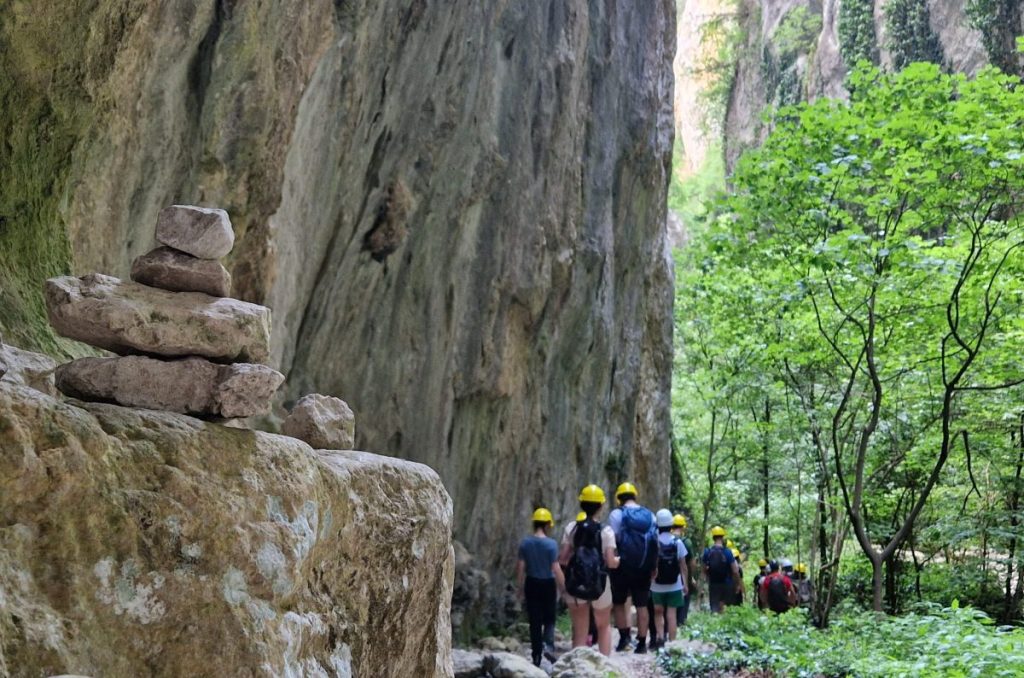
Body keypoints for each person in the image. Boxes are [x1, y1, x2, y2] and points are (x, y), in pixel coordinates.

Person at [560, 485, 620, 656]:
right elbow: (610, 562)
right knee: (604, 626)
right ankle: (604, 668)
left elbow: (563, 559)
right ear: (600, 506)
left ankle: (578, 669)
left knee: (580, 630)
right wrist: (618, 560)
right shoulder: (606, 531)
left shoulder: (572, 528)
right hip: (599, 583)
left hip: (576, 582)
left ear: (581, 504)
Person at [607, 481, 658, 653]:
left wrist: (611, 563)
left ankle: (624, 639)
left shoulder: (616, 514)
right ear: (635, 496)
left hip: (622, 565)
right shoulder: (650, 515)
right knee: (642, 604)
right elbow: (654, 542)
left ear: (619, 498)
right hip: (643, 566)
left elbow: (612, 541)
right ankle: (642, 643)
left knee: (620, 602)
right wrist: (653, 566)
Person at [517, 507, 564, 667]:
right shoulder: (551, 544)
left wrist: (520, 588)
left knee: (534, 620)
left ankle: (536, 654)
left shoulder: (525, 543)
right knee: (549, 617)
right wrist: (563, 587)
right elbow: (556, 568)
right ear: (547, 525)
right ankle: (548, 645)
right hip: (548, 584)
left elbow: (521, 567)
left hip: (531, 583)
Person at [650, 509, 688, 648]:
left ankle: (660, 638)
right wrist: (685, 583)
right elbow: (683, 565)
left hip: (656, 584)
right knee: (671, 614)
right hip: (675, 584)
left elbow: (650, 564)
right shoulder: (677, 542)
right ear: (671, 524)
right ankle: (672, 643)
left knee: (658, 612)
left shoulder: (653, 542)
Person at [702, 526, 740, 613]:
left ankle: (715, 623)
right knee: (726, 609)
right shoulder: (727, 552)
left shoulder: (707, 552)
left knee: (715, 609)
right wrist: (737, 584)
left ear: (713, 538)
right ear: (723, 537)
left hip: (714, 584)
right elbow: (735, 571)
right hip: (727, 584)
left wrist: (707, 580)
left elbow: (703, 570)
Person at [672, 514, 696, 626]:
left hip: (669, 576)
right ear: (683, 527)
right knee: (684, 598)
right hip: (683, 575)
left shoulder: (667, 539)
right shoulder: (686, 542)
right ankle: (680, 623)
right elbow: (692, 562)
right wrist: (691, 577)